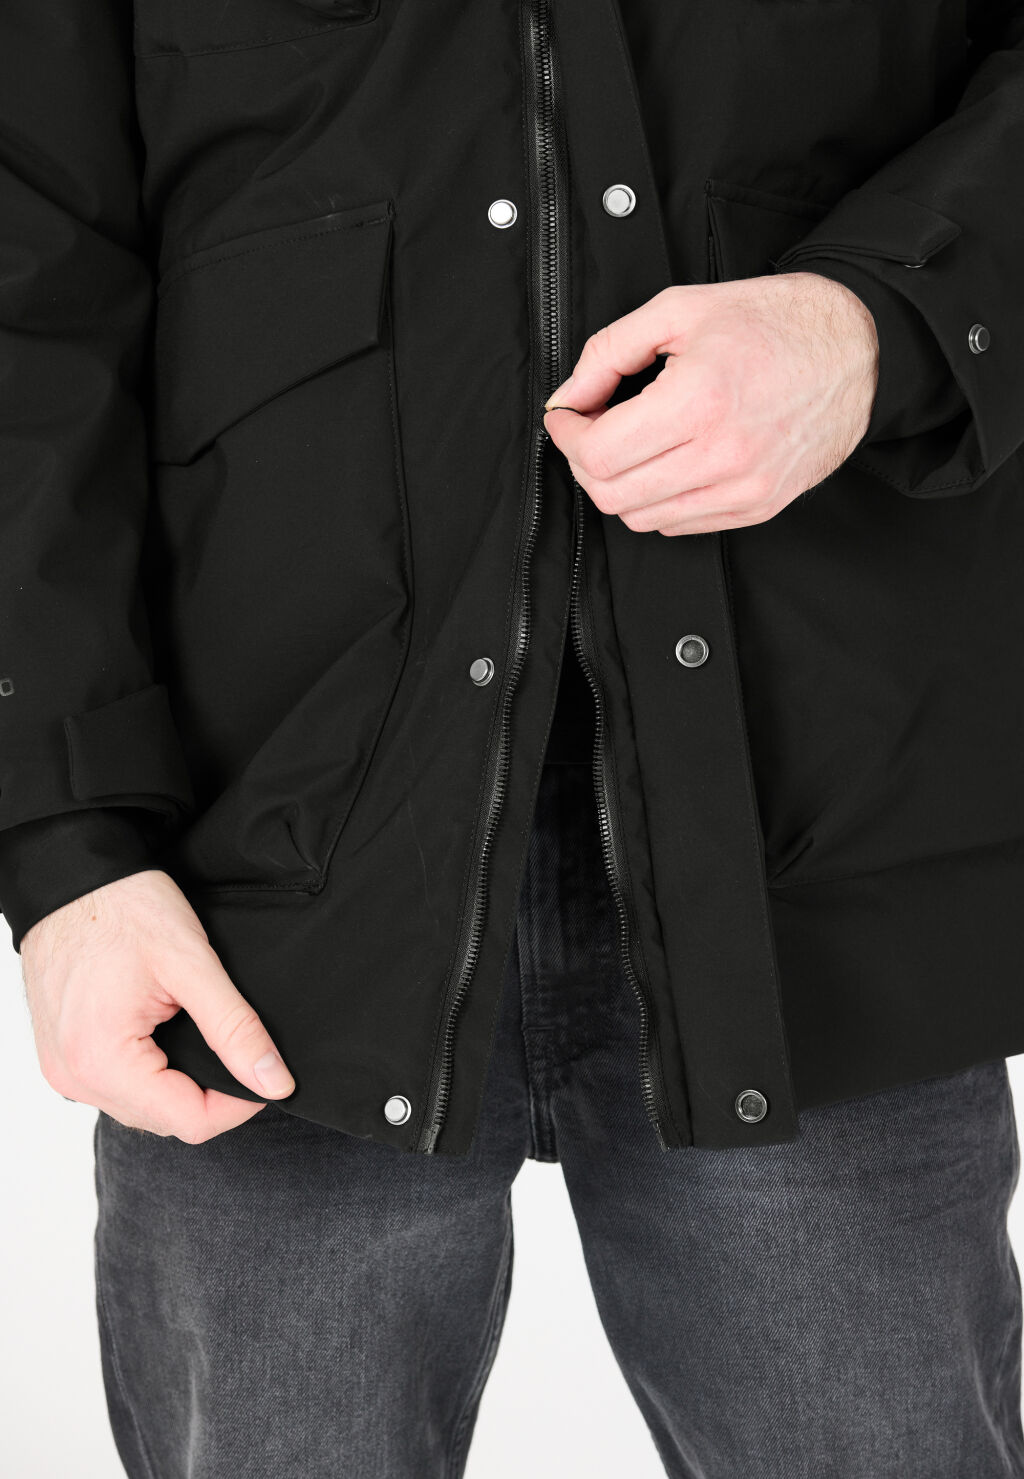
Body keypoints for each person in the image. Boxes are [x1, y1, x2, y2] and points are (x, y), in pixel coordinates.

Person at [2, 0, 1023, 1474]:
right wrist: (66, 847)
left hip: (824, 842)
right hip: (254, 890)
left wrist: (880, 323)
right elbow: (28, 262)